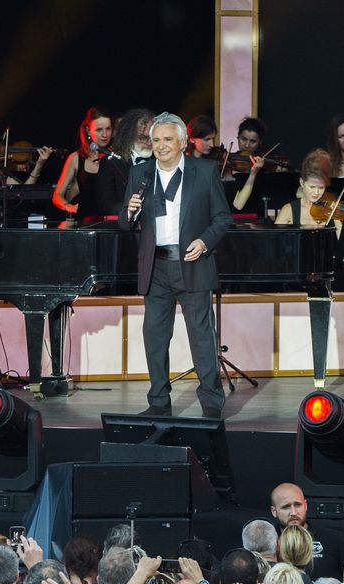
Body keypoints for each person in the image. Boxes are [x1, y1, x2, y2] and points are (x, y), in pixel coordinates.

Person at [121, 111, 232, 419]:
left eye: (168, 139)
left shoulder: (205, 171)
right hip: (155, 267)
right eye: (156, 140)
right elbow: (124, 222)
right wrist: (128, 213)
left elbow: (223, 218)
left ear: (183, 142)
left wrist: (205, 241)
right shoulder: (140, 173)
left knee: (201, 336)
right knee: (155, 336)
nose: (161, 145)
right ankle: (158, 402)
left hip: (192, 263)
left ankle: (211, 403)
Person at [268, 482, 344, 579]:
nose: (293, 512)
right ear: (274, 511)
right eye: (286, 507)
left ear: (305, 505)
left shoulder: (334, 539)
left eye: (297, 505)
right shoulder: (267, 542)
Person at [53, 106, 114, 219]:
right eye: (99, 130)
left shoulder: (117, 156)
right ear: (87, 130)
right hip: (85, 223)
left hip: (112, 222)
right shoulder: (76, 158)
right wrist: (68, 207)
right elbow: (57, 195)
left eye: (108, 129)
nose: (105, 135)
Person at [97, 108, 154, 215]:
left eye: (153, 138)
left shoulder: (158, 161)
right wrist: (128, 210)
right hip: (121, 227)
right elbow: (106, 204)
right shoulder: (111, 162)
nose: (150, 143)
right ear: (129, 136)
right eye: (143, 138)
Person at [274, 149, 344, 232]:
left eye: (321, 187)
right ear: (302, 182)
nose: (316, 192)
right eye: (312, 187)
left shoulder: (332, 211)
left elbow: (342, 242)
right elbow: (275, 242)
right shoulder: (288, 210)